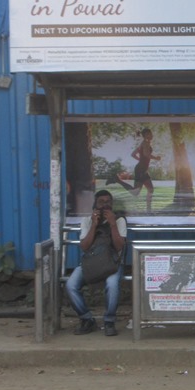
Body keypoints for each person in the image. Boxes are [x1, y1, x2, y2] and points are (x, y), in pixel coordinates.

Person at [66, 189, 128, 336]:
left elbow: (119, 246)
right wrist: (94, 225)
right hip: (91, 263)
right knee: (70, 285)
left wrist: (112, 224)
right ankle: (86, 319)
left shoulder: (119, 220)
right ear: (95, 204)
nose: (105, 205)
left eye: (108, 202)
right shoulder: (87, 221)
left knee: (112, 285)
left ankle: (109, 321)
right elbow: (84, 247)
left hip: (112, 263)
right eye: (101, 202)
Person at [109, 128, 161, 213]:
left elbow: (133, 154)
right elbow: (146, 155)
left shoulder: (143, 144)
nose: (151, 135)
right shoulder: (145, 143)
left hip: (142, 169)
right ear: (145, 135)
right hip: (140, 170)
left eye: (151, 133)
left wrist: (141, 161)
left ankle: (149, 211)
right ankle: (118, 180)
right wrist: (156, 158)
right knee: (135, 192)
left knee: (150, 189)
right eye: (149, 133)